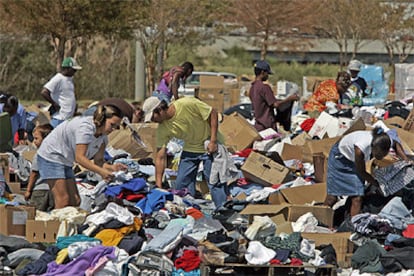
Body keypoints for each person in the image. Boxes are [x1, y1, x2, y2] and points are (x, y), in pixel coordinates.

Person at [142, 96, 229, 208]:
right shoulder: (162, 128)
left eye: (153, 117)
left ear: (159, 110)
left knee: (214, 182)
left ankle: (223, 211)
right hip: (190, 149)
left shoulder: (186, 104)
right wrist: (158, 185)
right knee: (182, 184)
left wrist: (213, 141)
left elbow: (212, 113)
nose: (153, 121)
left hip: (209, 146)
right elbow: (160, 157)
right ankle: (189, 211)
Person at [37, 104, 127, 209]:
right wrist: (101, 172)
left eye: (116, 126)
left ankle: (69, 224)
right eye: (112, 125)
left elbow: (99, 161)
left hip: (65, 160)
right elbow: (80, 158)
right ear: (102, 119)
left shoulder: (103, 137)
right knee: (63, 200)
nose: (113, 129)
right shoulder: (86, 129)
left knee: (75, 201)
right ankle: (58, 224)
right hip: (51, 155)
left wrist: (112, 168)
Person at [323, 127, 411, 217]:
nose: (381, 157)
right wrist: (377, 183)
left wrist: (406, 160)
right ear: (373, 147)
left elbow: (395, 143)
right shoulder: (360, 150)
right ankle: (325, 220)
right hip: (340, 160)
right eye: (379, 154)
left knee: (358, 195)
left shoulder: (384, 141)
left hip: (354, 161)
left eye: (384, 154)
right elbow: (361, 172)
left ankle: (354, 223)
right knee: (338, 197)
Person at [249, 60, 299, 132]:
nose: (267, 76)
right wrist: (289, 99)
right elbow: (275, 104)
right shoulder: (264, 87)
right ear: (262, 72)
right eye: (267, 73)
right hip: (267, 126)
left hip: (258, 126)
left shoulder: (252, 88)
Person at [41, 57, 82, 128]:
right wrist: (54, 103)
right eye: (74, 70)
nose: (75, 72)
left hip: (68, 117)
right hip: (60, 117)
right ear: (67, 68)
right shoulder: (58, 78)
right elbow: (44, 92)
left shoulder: (70, 79)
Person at [24, 124, 55, 211]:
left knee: (36, 215)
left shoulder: (39, 154)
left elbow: (34, 174)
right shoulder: (56, 154)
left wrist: (28, 190)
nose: (34, 141)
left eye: (36, 138)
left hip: (39, 190)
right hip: (53, 190)